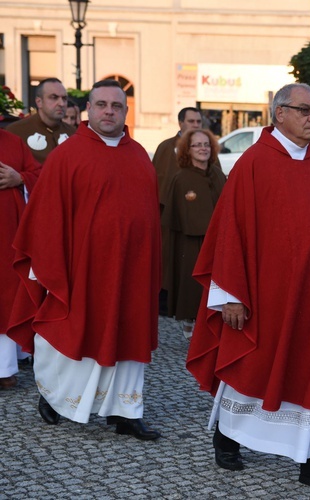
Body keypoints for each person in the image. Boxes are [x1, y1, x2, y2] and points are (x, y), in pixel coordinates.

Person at [186, 83, 310, 492]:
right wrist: (230, 295)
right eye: (305, 110)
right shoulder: (254, 163)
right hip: (267, 296)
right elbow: (230, 231)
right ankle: (227, 440)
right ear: (279, 113)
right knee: (253, 365)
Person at [7, 79, 161, 440]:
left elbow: (149, 219)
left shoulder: (139, 155)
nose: (109, 111)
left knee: (128, 334)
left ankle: (126, 411)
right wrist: (53, 267)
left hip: (131, 271)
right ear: (89, 109)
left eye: (117, 106)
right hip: (82, 271)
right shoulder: (67, 156)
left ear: (125, 112)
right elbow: (45, 219)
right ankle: (55, 396)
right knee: (72, 329)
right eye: (102, 105)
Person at [161, 129, 226, 338]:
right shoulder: (181, 178)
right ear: (188, 150)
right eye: (197, 145)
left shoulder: (216, 174)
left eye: (206, 144)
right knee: (192, 286)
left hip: (218, 240)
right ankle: (191, 322)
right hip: (190, 242)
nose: (203, 148)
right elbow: (175, 216)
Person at [0, 130, 41, 389]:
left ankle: (3, 369)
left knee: (5, 296)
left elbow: (38, 176)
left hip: (6, 235)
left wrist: (19, 178)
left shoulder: (12, 141)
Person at [5, 78, 76, 164]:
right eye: (54, 97)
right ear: (39, 102)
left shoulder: (74, 133)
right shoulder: (16, 131)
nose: (61, 103)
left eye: (64, 98)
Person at [152, 107, 204, 202]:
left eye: (199, 121)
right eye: (191, 121)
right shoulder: (166, 147)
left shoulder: (207, 149)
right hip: (171, 207)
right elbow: (156, 180)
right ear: (181, 124)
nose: (196, 125)